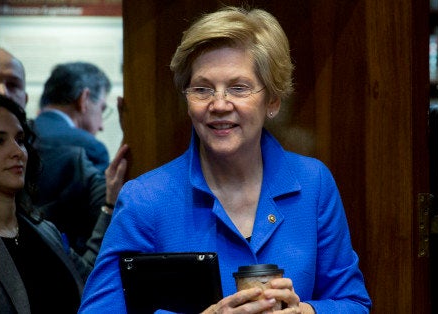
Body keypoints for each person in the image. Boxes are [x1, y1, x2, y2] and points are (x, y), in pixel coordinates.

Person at [79, 6, 371, 314]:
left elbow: (353, 303)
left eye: (238, 88)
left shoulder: (313, 184)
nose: (219, 105)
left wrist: (306, 312)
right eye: (202, 89)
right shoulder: (146, 198)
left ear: (272, 100)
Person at [0, 94, 98, 313]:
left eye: (20, 140)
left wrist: (108, 207)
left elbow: (93, 280)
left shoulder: (45, 230)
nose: (17, 152)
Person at [33, 61, 112, 172]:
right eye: (102, 109)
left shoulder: (18, 137)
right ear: (84, 99)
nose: (101, 126)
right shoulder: (89, 148)